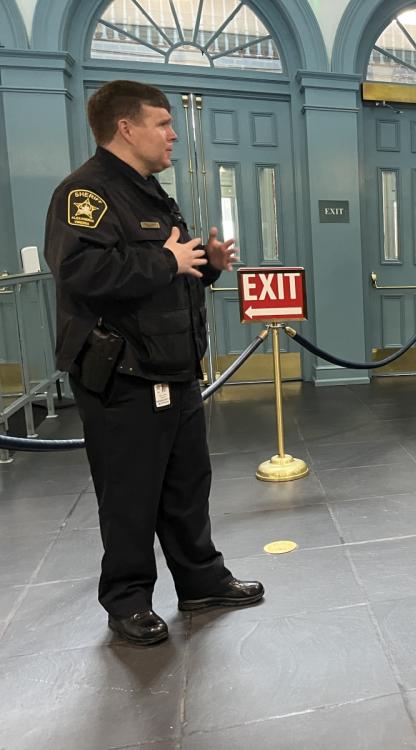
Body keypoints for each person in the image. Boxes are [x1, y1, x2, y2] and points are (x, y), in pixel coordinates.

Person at [44, 80, 263, 646]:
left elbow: (169, 272)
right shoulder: (85, 194)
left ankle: (201, 581)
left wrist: (205, 264)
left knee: (188, 485)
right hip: (123, 376)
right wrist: (165, 259)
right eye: (163, 123)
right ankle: (127, 600)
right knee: (129, 494)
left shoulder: (150, 192)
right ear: (126, 127)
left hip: (173, 366)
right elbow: (83, 274)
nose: (173, 134)